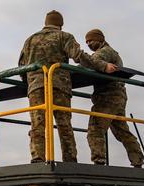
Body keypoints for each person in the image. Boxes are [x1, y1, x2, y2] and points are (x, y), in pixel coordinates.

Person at [18, 10, 117, 163]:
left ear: (46, 23)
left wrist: (31, 83)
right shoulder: (64, 37)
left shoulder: (30, 40)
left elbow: (22, 67)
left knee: (37, 124)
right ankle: (70, 159)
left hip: (36, 87)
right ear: (60, 25)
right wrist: (104, 66)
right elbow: (80, 57)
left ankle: (38, 158)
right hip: (59, 87)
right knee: (64, 125)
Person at [80, 29, 144, 167]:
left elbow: (93, 61)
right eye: (86, 42)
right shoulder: (108, 53)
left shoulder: (106, 51)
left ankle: (99, 160)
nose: (88, 44)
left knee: (95, 129)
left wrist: (79, 61)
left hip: (108, 97)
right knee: (121, 131)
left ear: (100, 39)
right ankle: (137, 160)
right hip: (117, 96)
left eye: (91, 40)